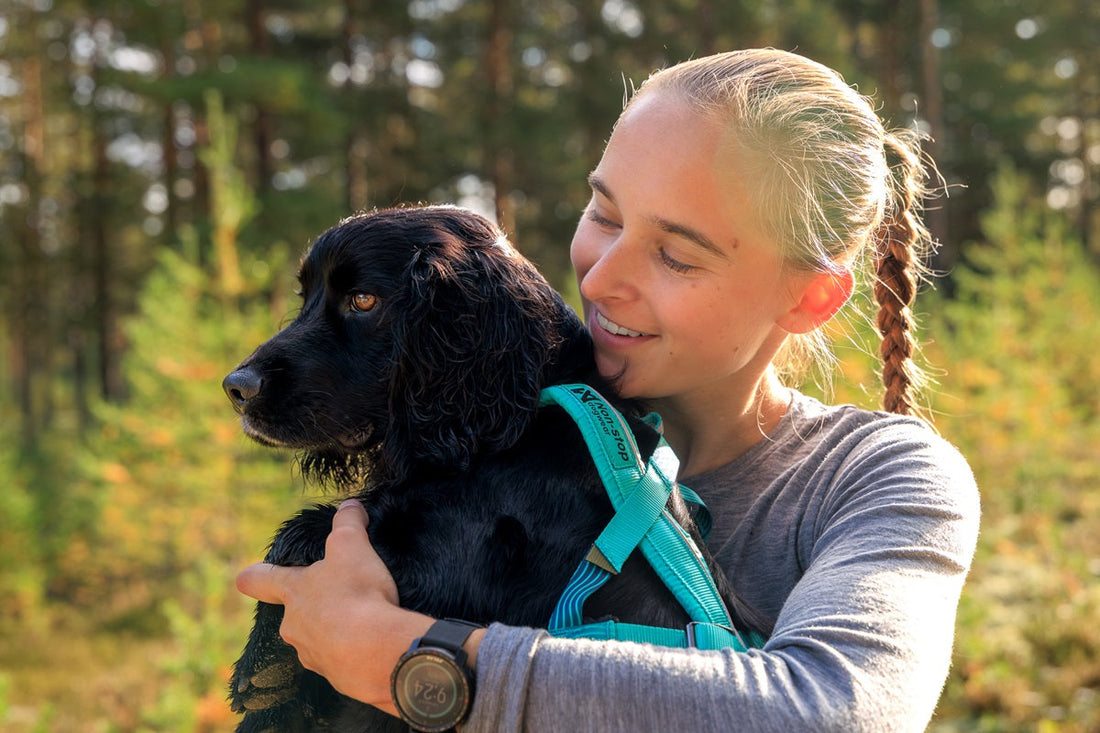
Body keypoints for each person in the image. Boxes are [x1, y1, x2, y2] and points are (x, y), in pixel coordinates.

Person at [236, 48, 980, 732]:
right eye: (605, 213)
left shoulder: (879, 477)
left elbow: (828, 714)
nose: (600, 278)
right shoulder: (478, 404)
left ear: (810, 297)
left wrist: (417, 659)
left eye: (677, 255)